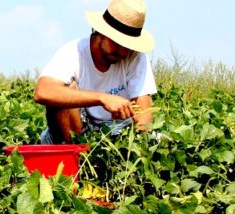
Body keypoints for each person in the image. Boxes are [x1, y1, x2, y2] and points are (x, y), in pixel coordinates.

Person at [34, 0, 157, 144]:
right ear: (101, 32)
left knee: (160, 141)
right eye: (117, 42)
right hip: (77, 129)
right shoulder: (74, 52)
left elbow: (143, 113)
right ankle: (72, 154)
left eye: (128, 45)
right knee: (66, 91)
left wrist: (137, 147)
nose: (122, 51)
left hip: (116, 130)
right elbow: (42, 92)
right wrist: (102, 98)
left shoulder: (135, 56)